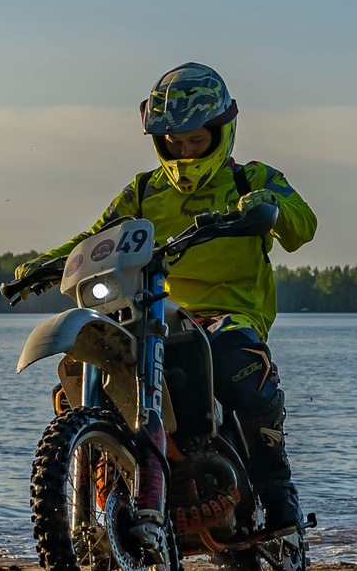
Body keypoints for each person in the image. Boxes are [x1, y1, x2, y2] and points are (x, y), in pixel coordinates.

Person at [18, 63, 317, 536]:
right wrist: (46, 263)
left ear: (221, 132)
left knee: (238, 365)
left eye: (195, 140)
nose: (184, 150)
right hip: (154, 311)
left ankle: (279, 489)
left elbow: (304, 225)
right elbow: (96, 237)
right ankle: (100, 487)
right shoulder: (143, 191)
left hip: (230, 314)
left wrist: (268, 206)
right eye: (172, 141)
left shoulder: (252, 178)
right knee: (91, 366)